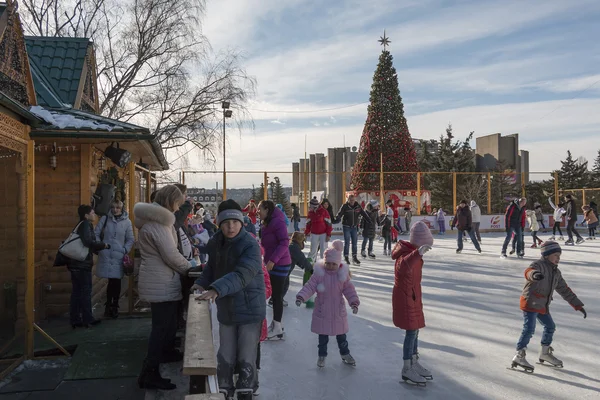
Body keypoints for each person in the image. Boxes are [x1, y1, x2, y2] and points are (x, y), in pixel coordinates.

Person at [192, 199, 265, 400]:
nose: (230, 226)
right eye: (225, 222)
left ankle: (246, 385)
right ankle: (224, 383)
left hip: (250, 308)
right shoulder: (216, 242)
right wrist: (201, 283)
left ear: (242, 223)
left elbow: (242, 275)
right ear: (219, 223)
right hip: (227, 307)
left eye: (235, 222)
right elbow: (212, 269)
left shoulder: (250, 245)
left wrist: (216, 289)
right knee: (226, 350)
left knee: (246, 352)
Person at [135, 185, 196, 390]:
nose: (179, 208)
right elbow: (171, 255)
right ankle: (148, 372)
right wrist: (191, 269)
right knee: (161, 328)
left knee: (167, 324)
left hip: (161, 279)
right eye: (178, 203)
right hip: (160, 281)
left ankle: (166, 352)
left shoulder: (158, 221)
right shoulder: (159, 224)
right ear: (170, 201)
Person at [510, 241, 586, 372]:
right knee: (529, 329)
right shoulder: (538, 265)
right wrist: (534, 275)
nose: (558, 258)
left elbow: (564, 290)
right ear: (546, 255)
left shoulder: (556, 272)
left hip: (542, 305)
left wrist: (577, 304)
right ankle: (519, 355)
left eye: (559, 256)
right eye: (556, 255)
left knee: (550, 326)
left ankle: (544, 353)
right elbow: (528, 271)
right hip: (530, 302)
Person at [295, 240, 359, 368]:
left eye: (333, 264)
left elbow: (349, 290)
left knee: (342, 338)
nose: (330, 266)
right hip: (322, 311)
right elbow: (310, 286)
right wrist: (301, 296)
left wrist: (354, 303)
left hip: (337, 313)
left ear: (338, 263)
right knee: (322, 338)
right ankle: (322, 356)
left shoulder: (342, 276)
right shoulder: (319, 274)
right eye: (327, 263)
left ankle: (345, 354)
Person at [392, 221, 434, 385]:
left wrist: (418, 253)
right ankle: (407, 367)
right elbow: (403, 267)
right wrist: (418, 253)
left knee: (415, 331)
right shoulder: (405, 254)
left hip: (413, 297)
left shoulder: (413, 253)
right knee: (411, 333)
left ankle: (414, 362)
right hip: (405, 298)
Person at [67, 205, 109, 329]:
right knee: (85, 291)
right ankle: (87, 319)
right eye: (92, 212)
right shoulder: (85, 224)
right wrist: (103, 245)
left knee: (77, 292)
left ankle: (75, 319)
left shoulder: (80, 224)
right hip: (81, 264)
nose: (94, 214)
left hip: (75, 263)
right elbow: (88, 241)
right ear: (86, 215)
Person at [95, 200, 135, 319]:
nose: (115, 210)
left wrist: (124, 250)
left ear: (121, 208)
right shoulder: (105, 219)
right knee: (110, 280)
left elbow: (130, 238)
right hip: (106, 253)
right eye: (113, 207)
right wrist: (101, 246)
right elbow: (96, 233)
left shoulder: (127, 222)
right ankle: (108, 305)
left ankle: (114, 305)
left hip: (118, 254)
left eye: (117, 208)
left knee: (116, 280)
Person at [258, 200, 292, 339]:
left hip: (280, 264)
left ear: (267, 209)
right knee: (275, 296)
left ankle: (277, 326)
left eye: (260, 209)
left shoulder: (278, 222)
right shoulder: (268, 223)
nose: (258, 211)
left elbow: (285, 242)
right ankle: (276, 324)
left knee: (277, 296)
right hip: (272, 263)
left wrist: (273, 260)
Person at [335, 194, 371, 265]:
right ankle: (346, 257)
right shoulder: (345, 206)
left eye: (353, 200)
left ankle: (354, 257)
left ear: (355, 200)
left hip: (354, 227)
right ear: (348, 200)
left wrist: (369, 220)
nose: (352, 202)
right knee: (347, 242)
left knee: (354, 243)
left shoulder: (358, 206)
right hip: (346, 226)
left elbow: (364, 214)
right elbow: (340, 213)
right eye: (350, 200)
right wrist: (337, 218)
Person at [282, 232, 313, 303]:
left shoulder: (291, 245)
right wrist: (311, 269)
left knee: (281, 285)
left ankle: (276, 299)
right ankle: (276, 300)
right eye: (303, 241)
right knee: (283, 286)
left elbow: (296, 260)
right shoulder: (295, 248)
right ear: (300, 241)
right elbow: (302, 260)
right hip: (284, 269)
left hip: (282, 268)